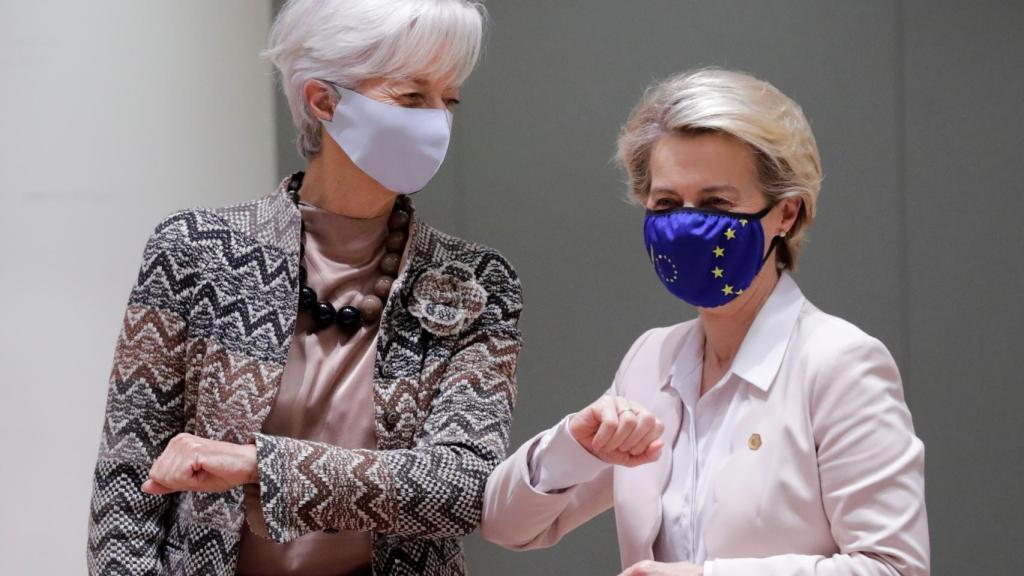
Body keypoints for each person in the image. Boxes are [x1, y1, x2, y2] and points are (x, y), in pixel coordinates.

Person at [86, 1, 522, 574]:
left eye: (449, 100)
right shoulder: (195, 249)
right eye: (413, 96)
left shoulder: (476, 283)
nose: (437, 120)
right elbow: (127, 484)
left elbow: (463, 485)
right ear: (323, 100)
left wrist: (260, 466)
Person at [480, 68, 929, 575]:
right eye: (668, 204)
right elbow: (506, 526)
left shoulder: (839, 363)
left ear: (786, 214)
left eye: (717, 203)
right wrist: (571, 447)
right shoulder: (651, 360)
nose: (689, 226)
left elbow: (894, 568)